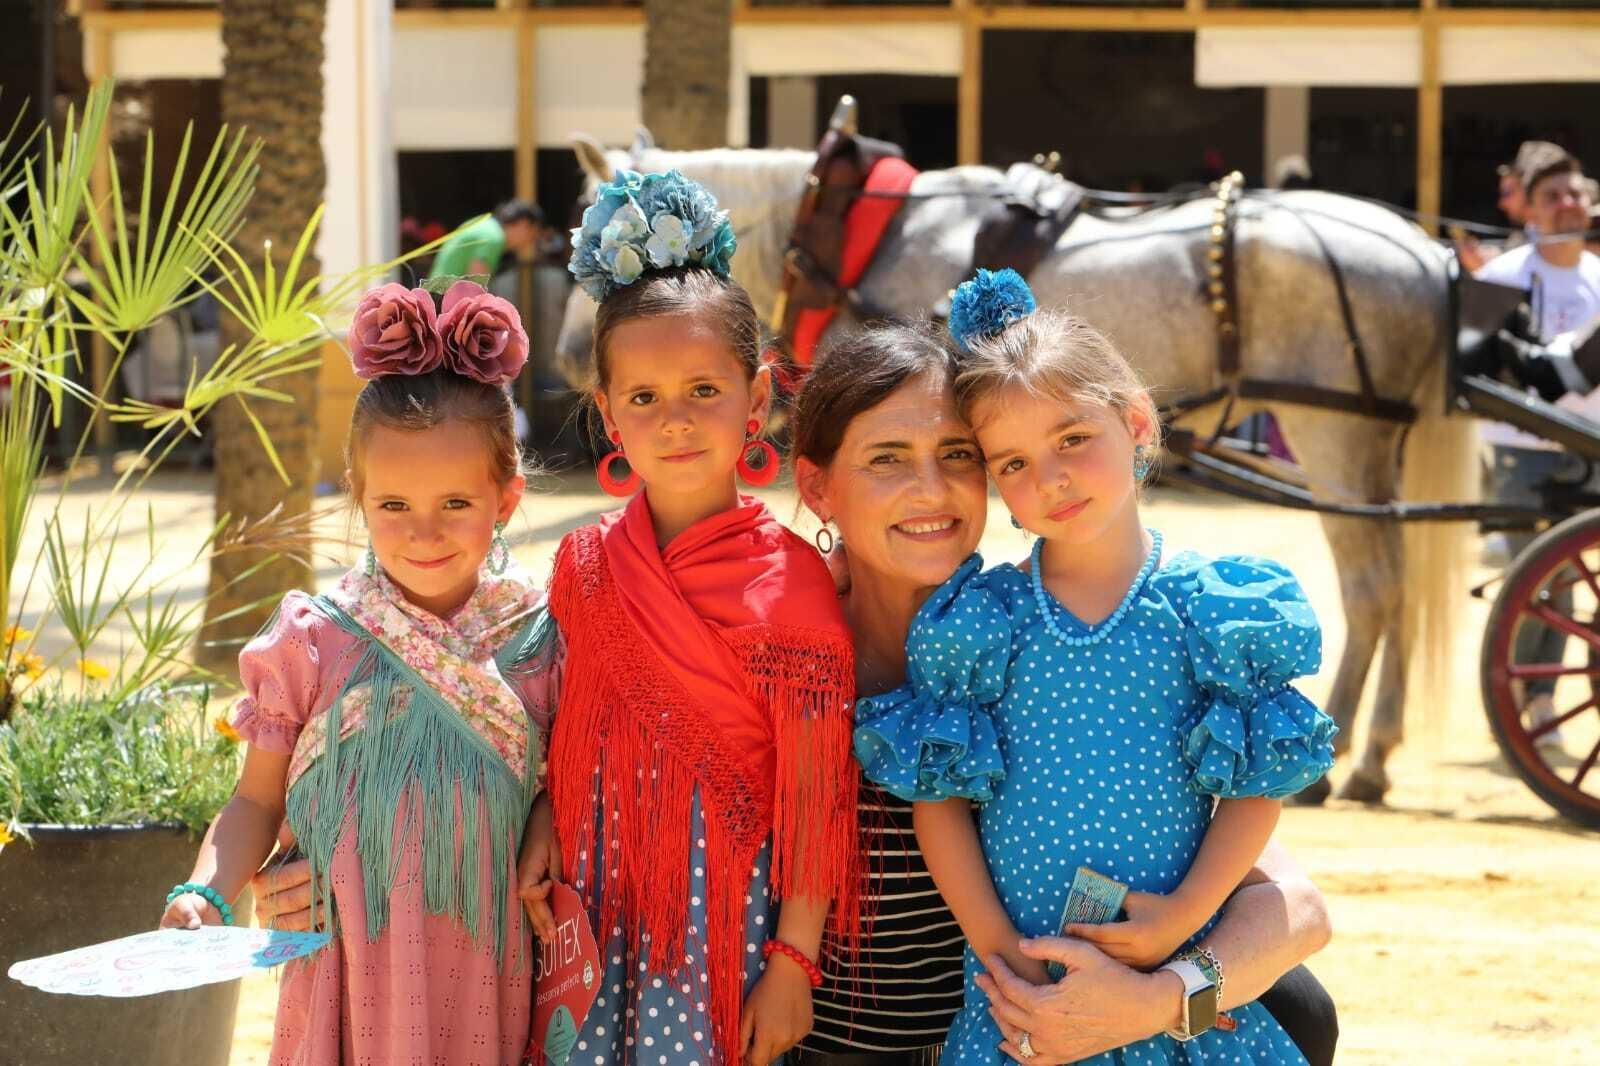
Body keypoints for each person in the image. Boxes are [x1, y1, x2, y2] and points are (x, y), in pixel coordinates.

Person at [787, 322, 1338, 1066]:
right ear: (818, 486)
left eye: (957, 457)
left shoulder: (1190, 617)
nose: (930, 488)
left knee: (1301, 1006)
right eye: (888, 459)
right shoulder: (943, 636)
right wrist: (1007, 961)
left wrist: (1168, 990)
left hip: (1122, 998)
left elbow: (1296, 904)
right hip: (927, 1029)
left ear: (1135, 423)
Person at [516, 169, 862, 1066]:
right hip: (591, 905)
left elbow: (816, 800)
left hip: (722, 927)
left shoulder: (792, 585)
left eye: (704, 392)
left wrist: (792, 959)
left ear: (757, 400)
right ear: (608, 417)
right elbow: (573, 724)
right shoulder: (582, 565)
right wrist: (547, 818)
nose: (674, 420)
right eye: (643, 399)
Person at [160, 279, 556, 1063]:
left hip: (488, 983)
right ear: (359, 498)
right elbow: (253, 801)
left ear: (505, 499)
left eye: (456, 504)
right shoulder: (313, 640)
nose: (423, 533)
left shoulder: (541, 642)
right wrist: (205, 892)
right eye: (394, 507)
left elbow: (566, 796)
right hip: (340, 981)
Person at [1476, 150, 1600, 746]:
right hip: (1520, 450)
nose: (1568, 205)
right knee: (1544, 579)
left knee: (1566, 579)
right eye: (1553, 197)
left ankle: (1541, 696)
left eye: (1574, 194)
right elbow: (1475, 372)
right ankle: (1538, 698)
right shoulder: (1501, 276)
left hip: (1590, 450)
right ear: (1531, 209)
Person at [429, 198, 552, 282]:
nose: (531, 241)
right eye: (532, 234)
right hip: (443, 306)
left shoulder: (486, 225)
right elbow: (475, 288)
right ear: (523, 224)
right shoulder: (494, 237)